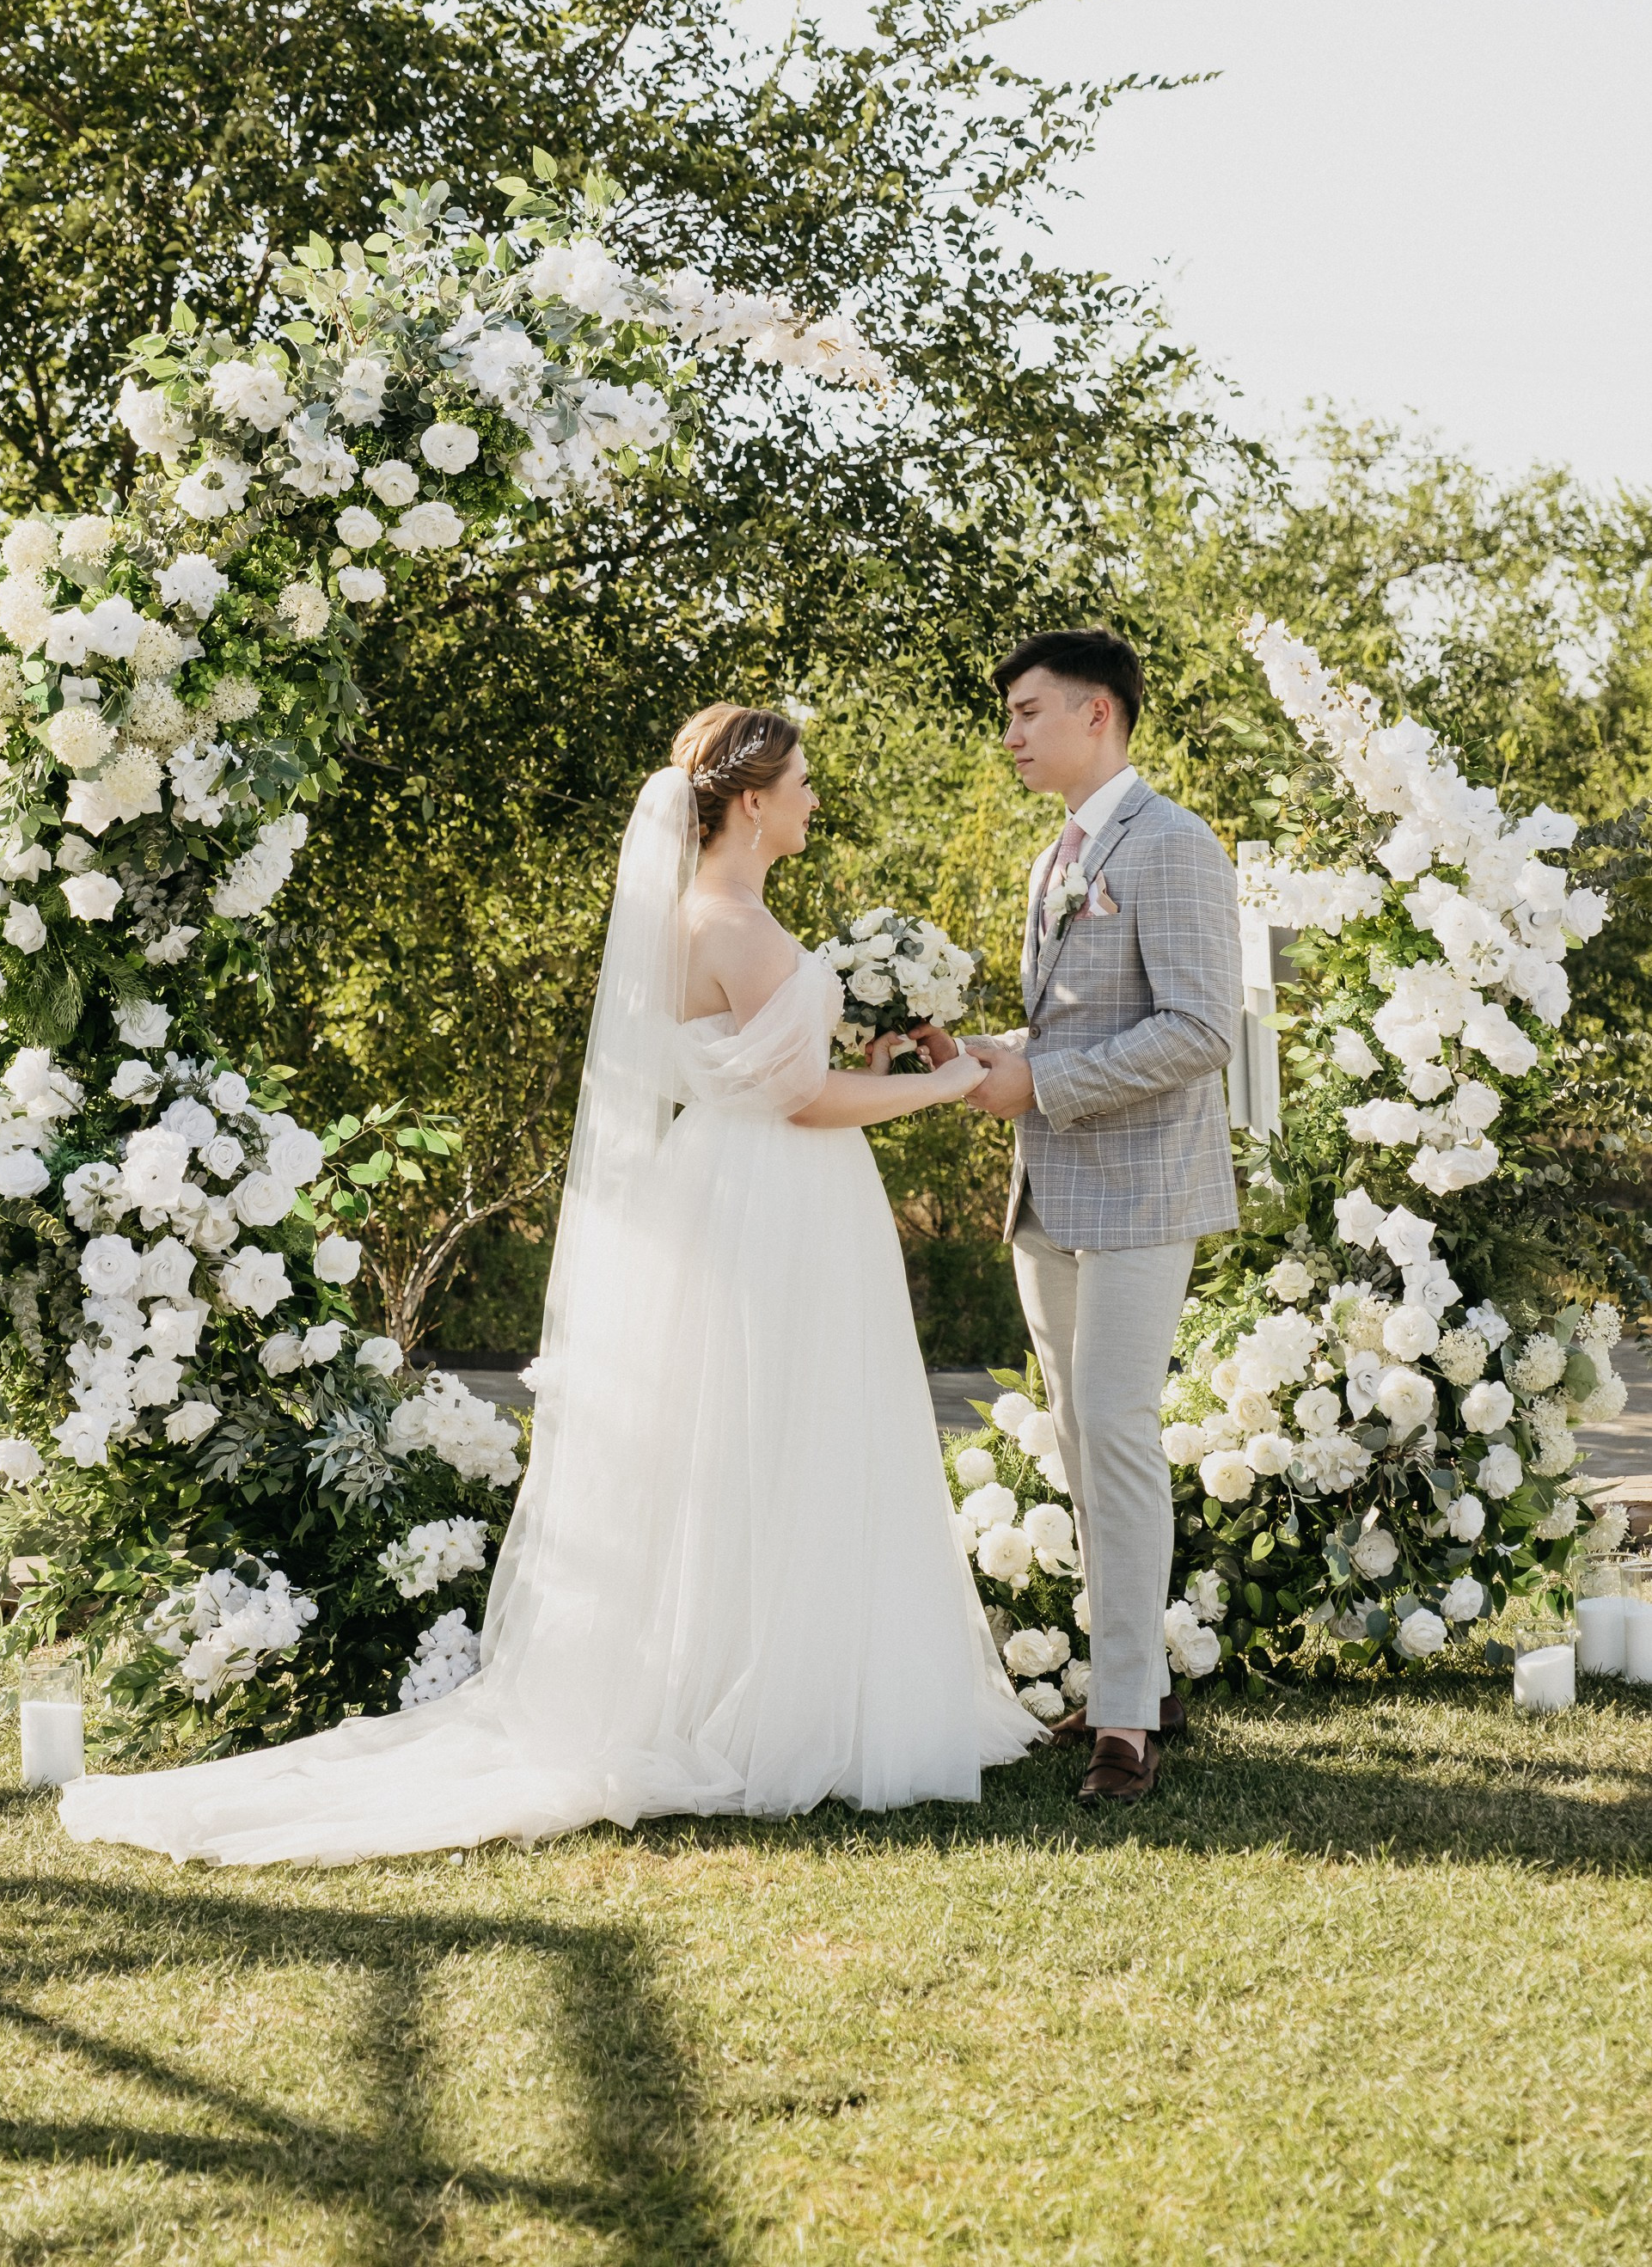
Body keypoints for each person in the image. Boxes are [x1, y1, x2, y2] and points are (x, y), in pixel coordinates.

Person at [61, 702, 1036, 1866]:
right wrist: (943, 1085)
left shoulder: (693, 918)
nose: (817, 798)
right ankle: (791, 1700)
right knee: (788, 1427)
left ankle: (733, 1677)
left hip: (723, 1190)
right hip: (782, 1197)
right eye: (806, 782)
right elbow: (802, 1103)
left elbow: (766, 1074)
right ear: (756, 799)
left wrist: (862, 1063)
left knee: (737, 1437)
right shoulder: (739, 923)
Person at [947, 630, 1239, 1809]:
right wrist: (969, 1055)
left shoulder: (1170, 845)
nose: (1011, 736)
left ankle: (1125, 1721)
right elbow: (1070, 1027)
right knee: (1078, 1436)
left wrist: (1045, 1085)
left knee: (1115, 1430)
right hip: (1049, 1193)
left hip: (1139, 1191)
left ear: (1097, 716)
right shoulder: (1056, 852)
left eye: (1027, 713)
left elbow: (1200, 1030)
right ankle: (1137, 1678)